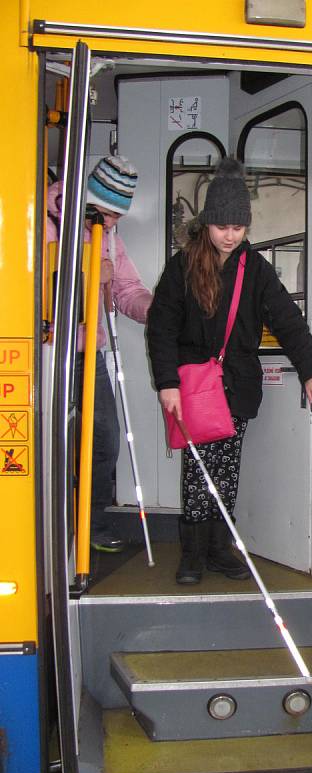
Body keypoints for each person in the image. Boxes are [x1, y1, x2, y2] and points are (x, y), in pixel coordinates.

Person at [147, 157, 312, 585]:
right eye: (222, 226)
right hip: (194, 388)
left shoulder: (258, 271)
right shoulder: (182, 268)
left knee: (226, 470)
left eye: (238, 226)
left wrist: (311, 370)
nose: (230, 235)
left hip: (236, 389)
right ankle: (192, 553)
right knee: (198, 469)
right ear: (207, 222)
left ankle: (219, 548)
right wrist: (167, 384)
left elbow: (288, 321)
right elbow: (161, 329)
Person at [47, 155, 153, 553]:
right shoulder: (48, 221)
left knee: (104, 439)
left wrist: (156, 311)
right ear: (88, 200)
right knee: (51, 444)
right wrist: (92, 273)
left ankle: (90, 523)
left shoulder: (109, 237)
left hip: (89, 352)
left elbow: (127, 291)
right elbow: (38, 283)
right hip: (49, 353)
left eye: (117, 217)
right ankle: (48, 526)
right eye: (109, 214)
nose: (112, 224)